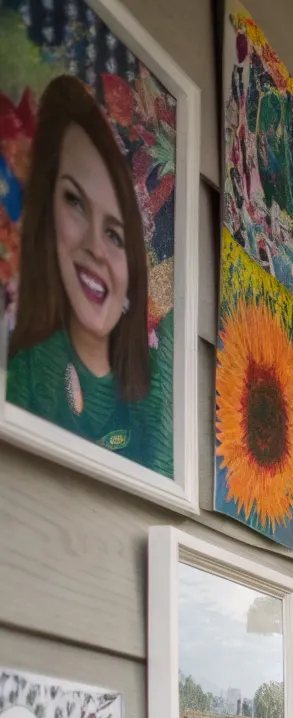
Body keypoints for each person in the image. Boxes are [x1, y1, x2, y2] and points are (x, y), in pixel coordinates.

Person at [7, 76, 172, 475]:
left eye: (115, 233)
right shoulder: (27, 369)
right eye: (75, 202)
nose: (96, 248)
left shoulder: (158, 371)